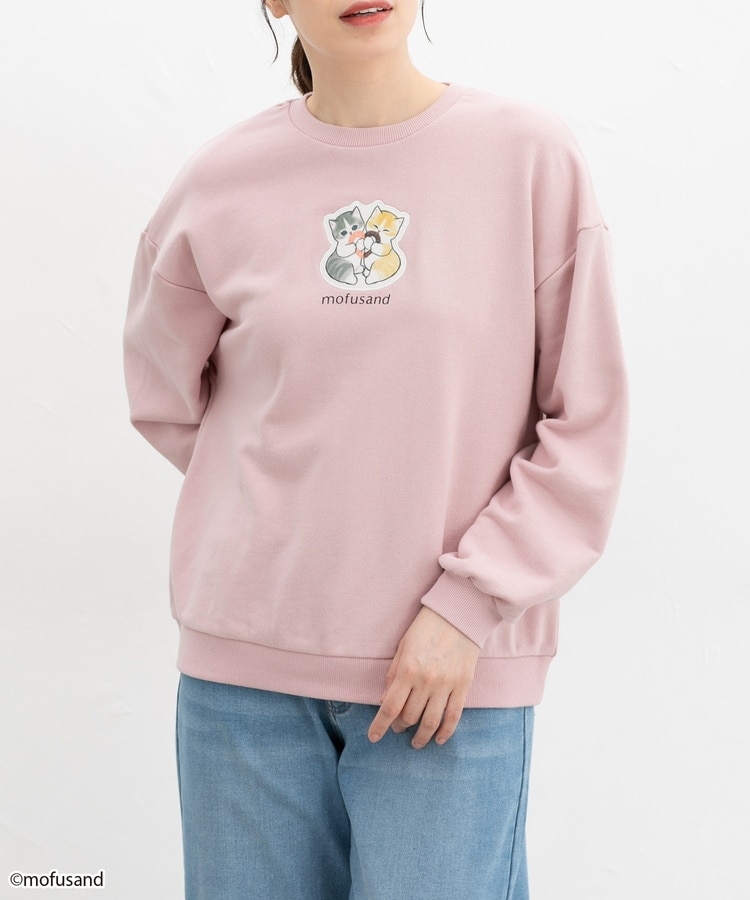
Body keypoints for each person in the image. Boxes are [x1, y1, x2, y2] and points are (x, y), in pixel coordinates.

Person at [123, 1, 628, 897]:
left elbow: (585, 422)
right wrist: (281, 516)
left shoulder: (528, 159)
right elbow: (166, 396)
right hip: (241, 681)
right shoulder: (220, 181)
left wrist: (468, 606)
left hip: (447, 679)